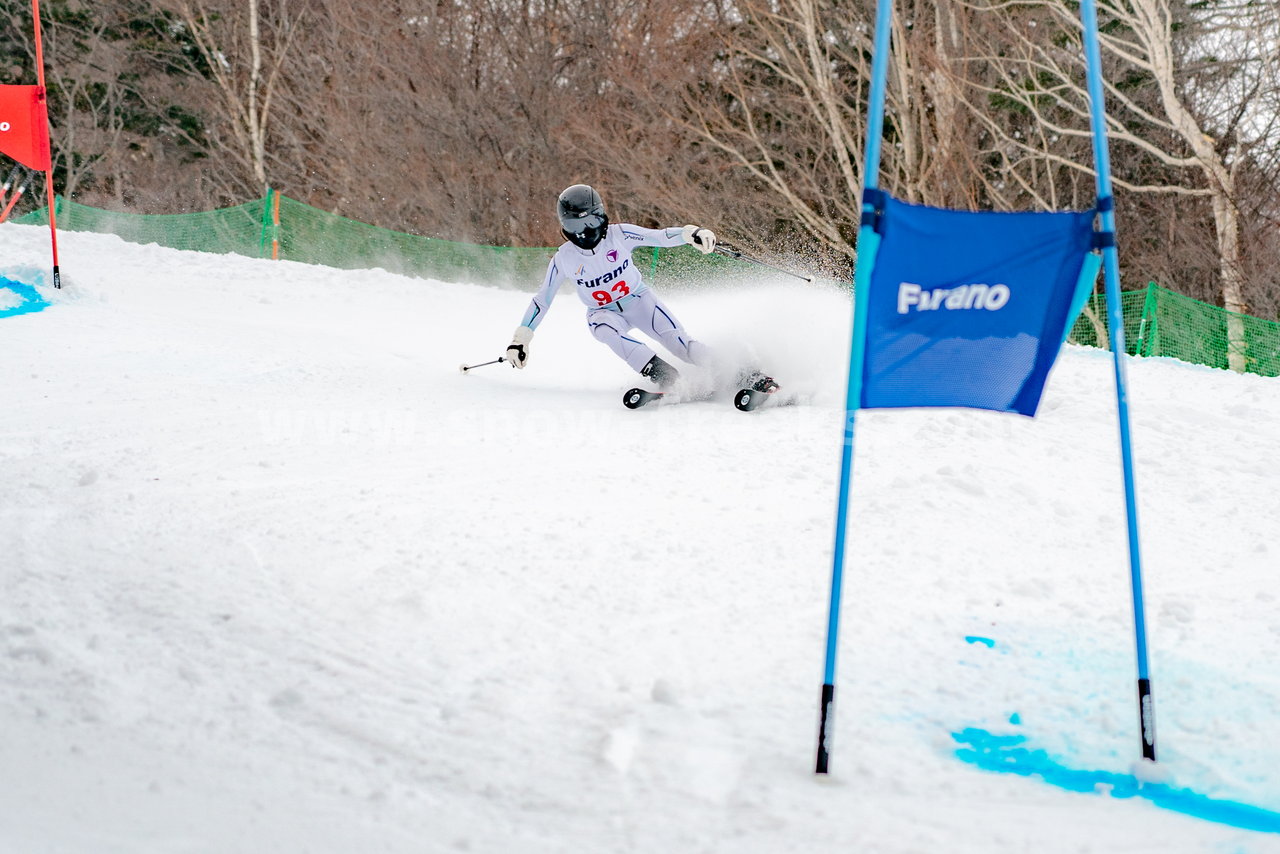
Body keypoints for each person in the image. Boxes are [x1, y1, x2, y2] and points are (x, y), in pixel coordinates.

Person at [505, 184, 771, 392]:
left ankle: (742, 373)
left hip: (640, 302)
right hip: (603, 312)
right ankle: (664, 375)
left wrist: (691, 233)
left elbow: (659, 236)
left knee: (683, 346)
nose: (586, 232)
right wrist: (520, 340)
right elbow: (542, 300)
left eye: (592, 222)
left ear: (601, 216)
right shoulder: (564, 258)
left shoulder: (619, 234)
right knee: (604, 331)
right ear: (565, 226)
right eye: (576, 225)